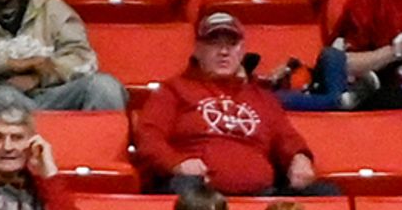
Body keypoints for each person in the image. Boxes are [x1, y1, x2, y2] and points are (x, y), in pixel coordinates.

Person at [133, 13, 317, 195]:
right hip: (197, 193)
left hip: (261, 194)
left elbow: (287, 138)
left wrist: (299, 158)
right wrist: (176, 163)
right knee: (186, 190)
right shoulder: (174, 90)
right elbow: (149, 136)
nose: (223, 52)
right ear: (197, 49)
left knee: (325, 191)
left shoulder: (263, 98)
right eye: (214, 43)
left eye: (231, 44)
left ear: (242, 50)